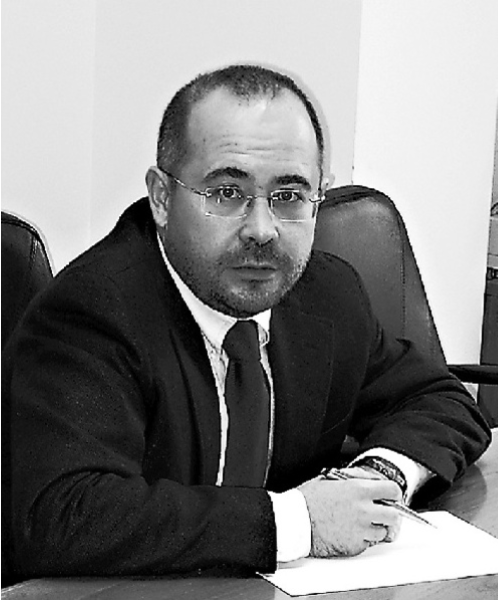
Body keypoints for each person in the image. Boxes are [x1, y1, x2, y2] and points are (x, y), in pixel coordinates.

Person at [3, 64, 491, 580]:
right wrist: (299, 522)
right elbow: (63, 514)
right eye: (226, 194)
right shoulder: (92, 312)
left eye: (289, 197)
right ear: (162, 198)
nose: (262, 230)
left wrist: (377, 477)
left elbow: (440, 400)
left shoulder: (328, 294)